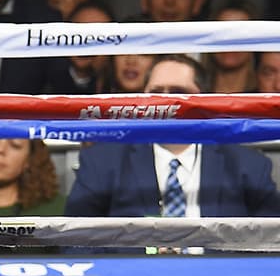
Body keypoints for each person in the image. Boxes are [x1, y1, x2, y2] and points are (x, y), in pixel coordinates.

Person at [65, 55, 280, 222]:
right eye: (156, 92)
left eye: (178, 92)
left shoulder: (249, 167)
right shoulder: (101, 163)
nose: (165, 102)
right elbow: (74, 243)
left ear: (203, 101)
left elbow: (270, 245)